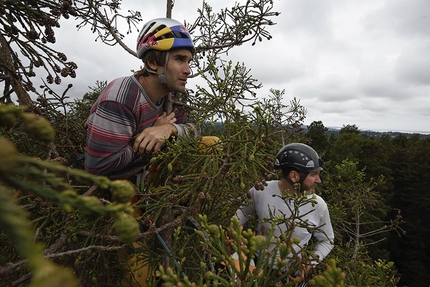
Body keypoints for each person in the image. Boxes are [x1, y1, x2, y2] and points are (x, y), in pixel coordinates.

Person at [84, 18, 200, 181]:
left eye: (189, 61)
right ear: (153, 62)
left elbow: (196, 129)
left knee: (211, 144)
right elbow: (97, 166)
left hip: (149, 174)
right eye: (179, 59)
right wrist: (148, 135)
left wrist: (169, 130)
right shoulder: (122, 98)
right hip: (118, 188)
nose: (188, 70)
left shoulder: (169, 95)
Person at [235, 143, 334, 285]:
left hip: (292, 277)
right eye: (313, 174)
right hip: (256, 269)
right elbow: (237, 219)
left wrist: (307, 266)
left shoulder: (318, 205)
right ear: (294, 176)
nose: (319, 180)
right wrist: (239, 245)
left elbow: (327, 241)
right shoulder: (261, 191)